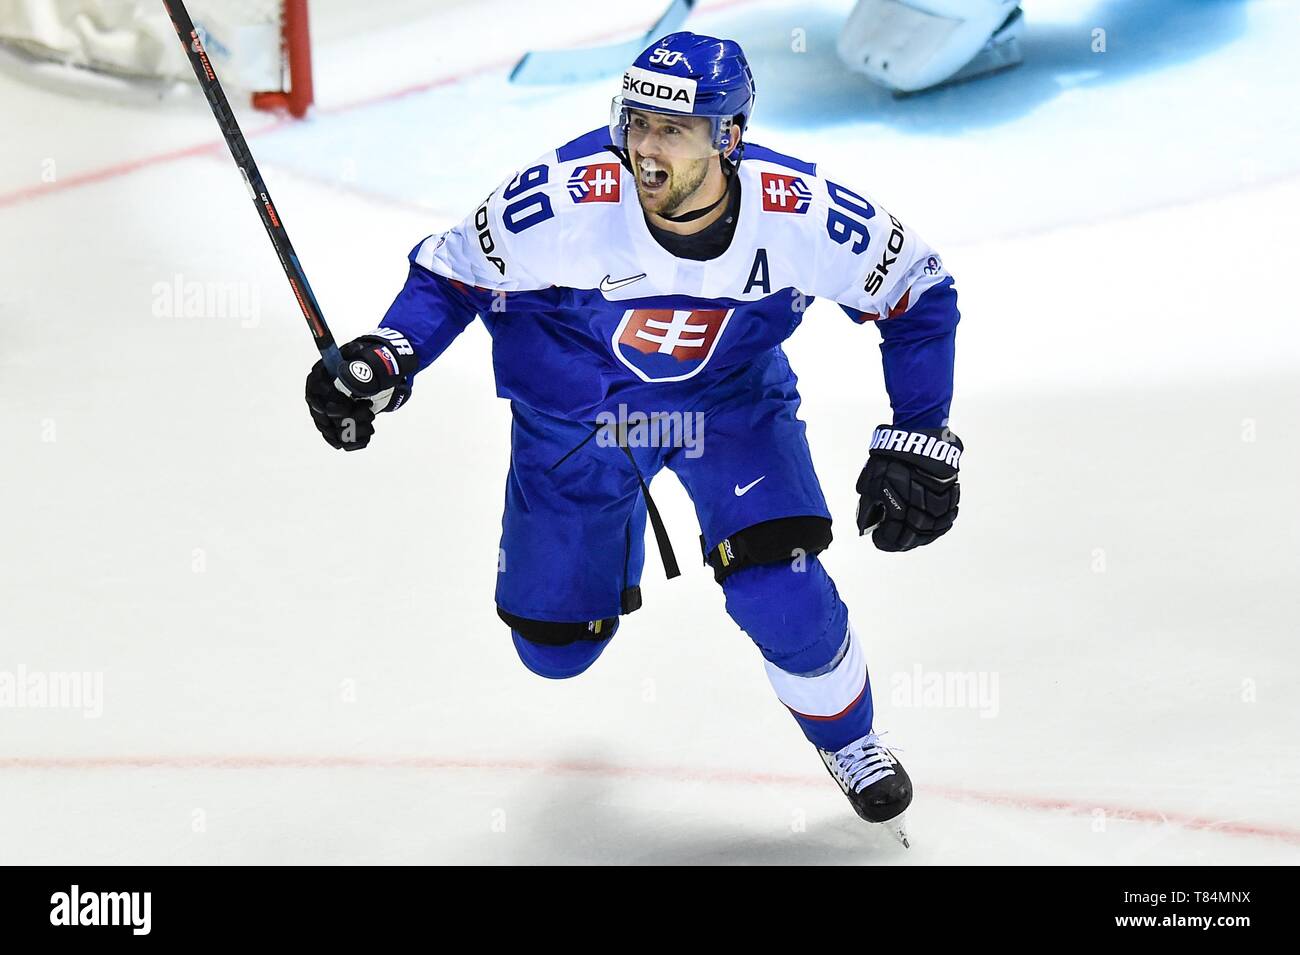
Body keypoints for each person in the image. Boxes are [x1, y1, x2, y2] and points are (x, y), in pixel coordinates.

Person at [305, 32, 964, 846]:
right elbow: (450, 276)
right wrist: (387, 352)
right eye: (637, 123)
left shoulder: (803, 214)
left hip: (727, 404)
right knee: (553, 651)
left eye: (673, 130)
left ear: (729, 136)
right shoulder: (565, 199)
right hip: (580, 415)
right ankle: (602, 542)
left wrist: (920, 430)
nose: (646, 150)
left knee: (778, 585)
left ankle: (851, 738)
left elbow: (919, 292)